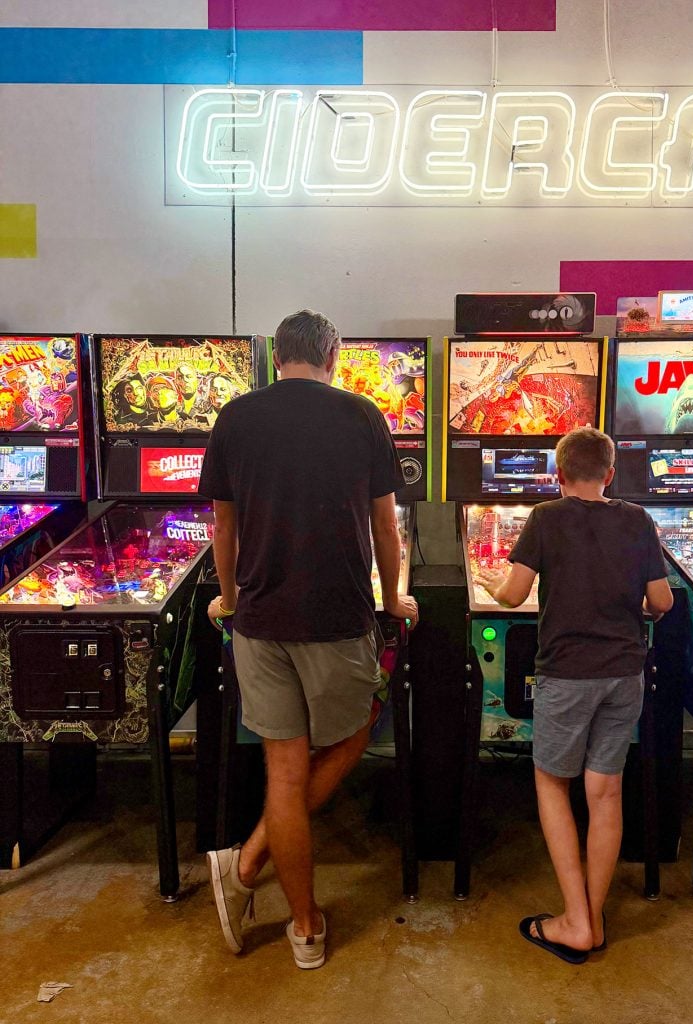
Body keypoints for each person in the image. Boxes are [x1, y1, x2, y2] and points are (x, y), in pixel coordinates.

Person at [198, 309, 418, 969]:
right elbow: (386, 526)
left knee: (284, 774)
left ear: (274, 354)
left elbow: (222, 529)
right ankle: (248, 864)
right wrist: (390, 601)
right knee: (353, 736)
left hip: (260, 625)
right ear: (334, 355)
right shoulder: (362, 414)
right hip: (338, 616)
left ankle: (301, 926)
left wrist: (231, 605)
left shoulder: (235, 417)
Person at [477, 427, 672, 964]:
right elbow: (662, 600)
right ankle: (593, 914)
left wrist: (492, 582)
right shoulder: (637, 519)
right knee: (605, 792)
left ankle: (575, 923)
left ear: (558, 474)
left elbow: (514, 593)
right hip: (623, 673)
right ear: (610, 473)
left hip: (567, 674)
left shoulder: (546, 517)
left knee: (551, 784)